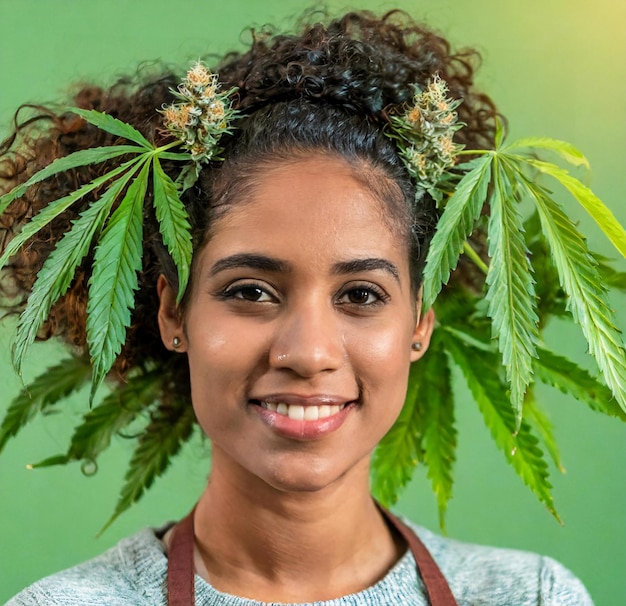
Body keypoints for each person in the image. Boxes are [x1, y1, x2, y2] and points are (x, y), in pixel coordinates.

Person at [0, 8, 612, 605]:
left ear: (419, 322)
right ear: (173, 314)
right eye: (250, 292)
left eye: (361, 295)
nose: (309, 352)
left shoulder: (532, 596)